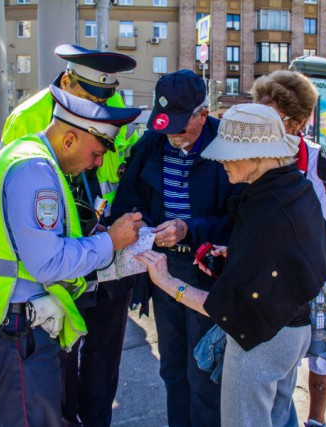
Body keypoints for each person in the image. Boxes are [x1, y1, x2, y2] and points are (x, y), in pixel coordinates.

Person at [135, 103, 326, 427]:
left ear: (259, 154)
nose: (220, 161)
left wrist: (166, 281)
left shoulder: (265, 206)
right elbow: (301, 258)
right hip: (294, 332)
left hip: (262, 342)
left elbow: (224, 309)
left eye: (228, 153)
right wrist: (237, 256)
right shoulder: (294, 187)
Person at [0, 85, 143, 426]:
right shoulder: (35, 172)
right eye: (97, 153)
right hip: (15, 331)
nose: (98, 163)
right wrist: (111, 242)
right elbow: (47, 261)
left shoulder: (29, 158)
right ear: (69, 139)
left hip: (9, 323)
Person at [1, 44, 138, 427]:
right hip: (61, 262)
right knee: (58, 369)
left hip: (109, 257)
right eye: (91, 98)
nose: (100, 107)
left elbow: (118, 169)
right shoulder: (27, 117)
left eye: (106, 98)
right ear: (67, 82)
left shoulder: (116, 107)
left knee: (103, 365)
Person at [111, 69, 241, 427]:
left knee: (203, 368)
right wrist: (135, 222)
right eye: (167, 126)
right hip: (160, 269)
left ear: (204, 113)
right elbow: (128, 200)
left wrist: (188, 229)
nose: (173, 136)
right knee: (172, 367)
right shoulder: (151, 143)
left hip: (206, 272)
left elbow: (238, 217)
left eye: (182, 127)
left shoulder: (226, 145)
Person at [251, 70, 326, 427]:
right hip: (270, 284)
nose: (262, 125)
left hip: (321, 283)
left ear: (297, 122)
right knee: (275, 361)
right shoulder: (251, 160)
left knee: (322, 357)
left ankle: (316, 420)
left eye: (273, 118)